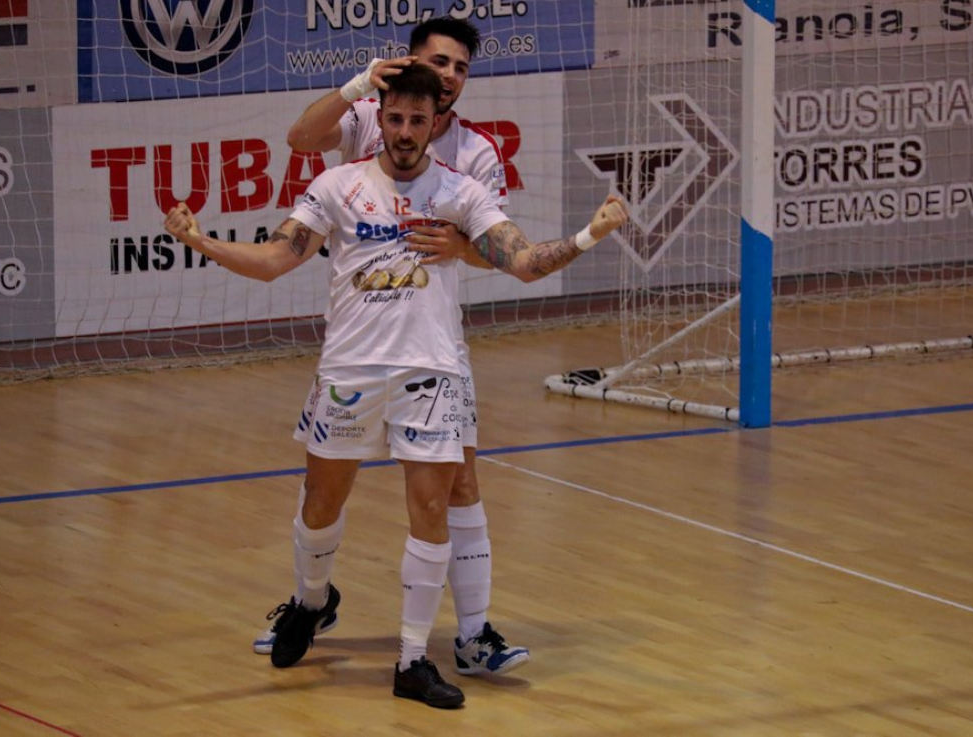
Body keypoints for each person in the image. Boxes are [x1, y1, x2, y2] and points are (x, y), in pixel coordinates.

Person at [164, 64, 627, 708]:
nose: (406, 131)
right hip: (350, 370)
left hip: (429, 373)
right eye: (396, 119)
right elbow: (275, 259)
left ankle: (413, 661)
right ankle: (312, 599)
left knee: (432, 511)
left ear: (435, 123)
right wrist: (202, 242)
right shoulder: (337, 185)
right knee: (320, 505)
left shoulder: (460, 192)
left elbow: (519, 260)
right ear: (378, 120)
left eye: (418, 120)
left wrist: (586, 236)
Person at [255, 16, 523, 678]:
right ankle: (309, 601)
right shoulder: (374, 117)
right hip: (361, 335)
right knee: (325, 485)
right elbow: (299, 137)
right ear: (408, 65)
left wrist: (463, 247)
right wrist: (353, 88)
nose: (452, 74)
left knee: (460, 477)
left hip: (433, 339)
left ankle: (473, 632)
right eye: (441, 61)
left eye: (462, 66)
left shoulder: (477, 153)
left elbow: (496, 251)